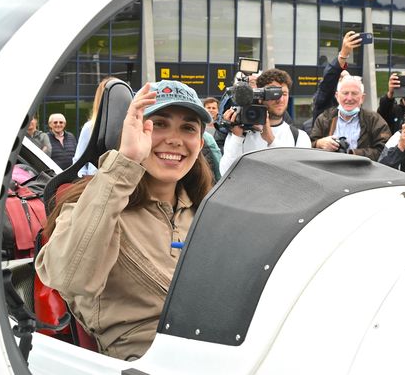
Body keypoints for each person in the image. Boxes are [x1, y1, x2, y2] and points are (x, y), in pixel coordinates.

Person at [35, 80, 214, 361]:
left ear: (201, 142)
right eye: (159, 124)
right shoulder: (96, 204)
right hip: (146, 360)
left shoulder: (208, 211)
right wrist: (126, 161)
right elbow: (68, 278)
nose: (175, 139)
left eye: (188, 128)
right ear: (134, 132)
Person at [219, 68, 311, 176]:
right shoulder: (241, 133)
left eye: (284, 93)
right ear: (260, 96)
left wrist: (271, 140)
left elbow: (300, 176)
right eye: (274, 94)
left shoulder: (299, 137)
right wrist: (237, 137)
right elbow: (225, 173)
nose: (280, 99)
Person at [311, 75, 391, 161]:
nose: (349, 98)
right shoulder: (324, 119)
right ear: (337, 96)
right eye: (345, 93)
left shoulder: (374, 120)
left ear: (362, 98)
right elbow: (307, 147)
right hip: (330, 172)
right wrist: (319, 144)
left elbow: (385, 151)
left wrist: (353, 154)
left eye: (354, 93)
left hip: (363, 172)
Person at [311, 31, 363, 124]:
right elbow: (328, 83)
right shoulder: (324, 105)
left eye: (354, 93)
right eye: (341, 78)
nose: (349, 98)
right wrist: (343, 55)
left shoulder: (368, 120)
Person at [73, 77, 116, 177]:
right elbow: (79, 162)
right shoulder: (90, 127)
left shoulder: (129, 127)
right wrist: (83, 184)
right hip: (94, 183)